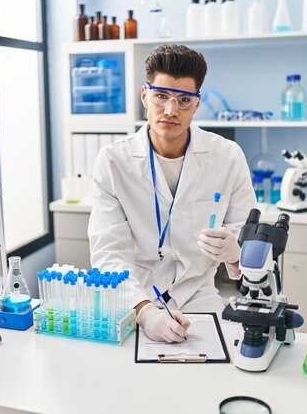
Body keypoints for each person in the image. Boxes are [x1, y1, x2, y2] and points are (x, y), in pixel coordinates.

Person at [88, 44, 255, 343]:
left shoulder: (227, 157)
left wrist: (237, 252)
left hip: (198, 296)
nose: (170, 110)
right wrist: (144, 312)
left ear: (197, 104)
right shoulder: (114, 161)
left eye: (183, 100)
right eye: (161, 96)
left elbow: (249, 238)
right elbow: (108, 252)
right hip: (133, 295)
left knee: (216, 365)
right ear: (145, 96)